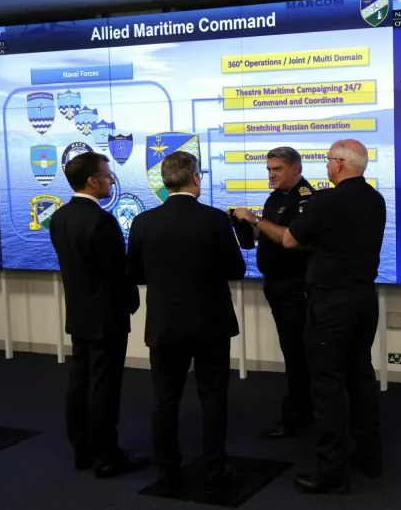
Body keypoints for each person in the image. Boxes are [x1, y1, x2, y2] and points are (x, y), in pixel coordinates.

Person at [126, 150, 246, 495]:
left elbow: (133, 273)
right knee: (213, 397)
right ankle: (214, 469)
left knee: (164, 400)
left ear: (165, 182)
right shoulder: (214, 220)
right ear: (195, 178)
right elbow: (235, 270)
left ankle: (167, 472)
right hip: (211, 324)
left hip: (165, 324)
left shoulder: (144, 222)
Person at [282, 139, 386, 495]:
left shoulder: (325, 201)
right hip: (364, 300)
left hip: (330, 304)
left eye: (327, 161)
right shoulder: (376, 200)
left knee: (327, 385)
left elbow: (290, 241)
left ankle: (332, 471)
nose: (325, 167)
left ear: (340, 164)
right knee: (360, 376)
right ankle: (369, 455)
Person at [49, 151, 147, 479]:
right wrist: (131, 303)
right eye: (107, 174)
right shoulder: (102, 221)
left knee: (79, 381)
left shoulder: (60, 217)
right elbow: (117, 274)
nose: (111, 179)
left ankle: (82, 449)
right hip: (107, 317)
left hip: (78, 313)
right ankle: (106, 458)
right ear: (92, 181)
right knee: (104, 387)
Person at [231, 147, 316, 439]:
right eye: (269, 170)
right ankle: (304, 412)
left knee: (297, 355)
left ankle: (297, 417)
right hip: (276, 285)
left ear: (295, 168)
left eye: (277, 169)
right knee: (292, 352)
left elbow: (293, 239)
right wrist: (244, 223)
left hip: (295, 287)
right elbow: (268, 232)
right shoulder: (276, 198)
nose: (271, 175)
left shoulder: (305, 199)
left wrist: (255, 220)